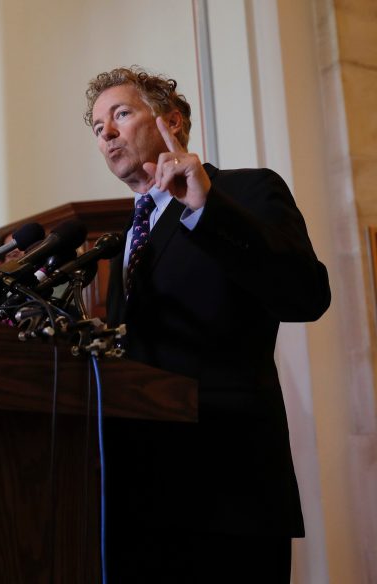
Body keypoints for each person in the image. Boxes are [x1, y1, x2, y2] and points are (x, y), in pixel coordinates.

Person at [86, 66, 330, 582]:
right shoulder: (124, 238)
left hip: (230, 492)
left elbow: (307, 295)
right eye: (96, 125)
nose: (105, 132)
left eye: (120, 114)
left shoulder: (245, 191)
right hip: (140, 501)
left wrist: (205, 209)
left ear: (171, 120)